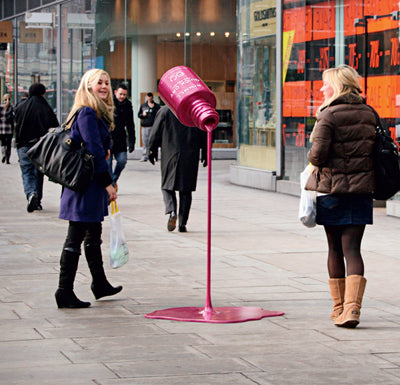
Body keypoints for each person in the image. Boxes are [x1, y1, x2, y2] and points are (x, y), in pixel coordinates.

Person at [306, 65, 376, 328]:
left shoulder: (328, 114)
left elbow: (317, 155)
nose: (322, 88)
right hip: (361, 191)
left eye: (325, 84)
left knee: (335, 248)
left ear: (335, 86)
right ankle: (353, 310)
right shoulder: (369, 113)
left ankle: (338, 309)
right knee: (353, 249)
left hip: (332, 191)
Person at [55, 68, 122, 309]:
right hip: (85, 185)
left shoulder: (97, 113)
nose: (104, 87)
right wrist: (108, 183)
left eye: (106, 82)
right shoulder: (86, 113)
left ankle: (100, 283)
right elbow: (94, 150)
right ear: (88, 86)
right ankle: (64, 291)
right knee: (75, 236)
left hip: (90, 185)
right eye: (98, 83)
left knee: (93, 234)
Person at [148, 106, 207, 232]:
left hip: (170, 152)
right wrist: (205, 152)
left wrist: (151, 149)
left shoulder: (165, 111)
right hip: (190, 154)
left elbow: (155, 132)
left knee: (167, 185)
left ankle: (172, 210)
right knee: (186, 190)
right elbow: (203, 132)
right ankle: (182, 223)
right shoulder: (194, 111)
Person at [15, 83, 59, 212]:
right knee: (38, 172)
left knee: (27, 172)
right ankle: (37, 199)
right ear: (43, 93)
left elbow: (16, 125)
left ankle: (30, 193)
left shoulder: (20, 106)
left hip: (24, 144)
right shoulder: (45, 107)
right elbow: (54, 126)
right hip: (40, 146)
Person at [108, 83, 136, 190]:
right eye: (120, 94)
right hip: (109, 139)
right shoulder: (109, 103)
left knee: (122, 161)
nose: (122, 97)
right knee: (108, 165)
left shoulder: (128, 106)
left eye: (124, 95)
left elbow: (130, 125)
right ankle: (110, 187)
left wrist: (132, 141)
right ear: (115, 93)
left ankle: (113, 181)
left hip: (121, 139)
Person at [138, 92, 160, 161]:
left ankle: (154, 155)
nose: (150, 98)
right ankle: (145, 156)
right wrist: (143, 115)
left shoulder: (156, 106)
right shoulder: (143, 106)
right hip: (145, 126)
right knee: (145, 141)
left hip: (153, 126)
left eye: (151, 97)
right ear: (147, 97)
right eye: (148, 97)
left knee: (153, 141)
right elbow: (139, 115)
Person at [0, 93, 14, 164]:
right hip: (9, 129)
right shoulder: (11, 107)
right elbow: (13, 118)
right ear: (10, 99)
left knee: (3, 143)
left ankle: (3, 154)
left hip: (1, 129)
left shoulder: (0, 106)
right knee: (8, 144)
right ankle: (8, 158)